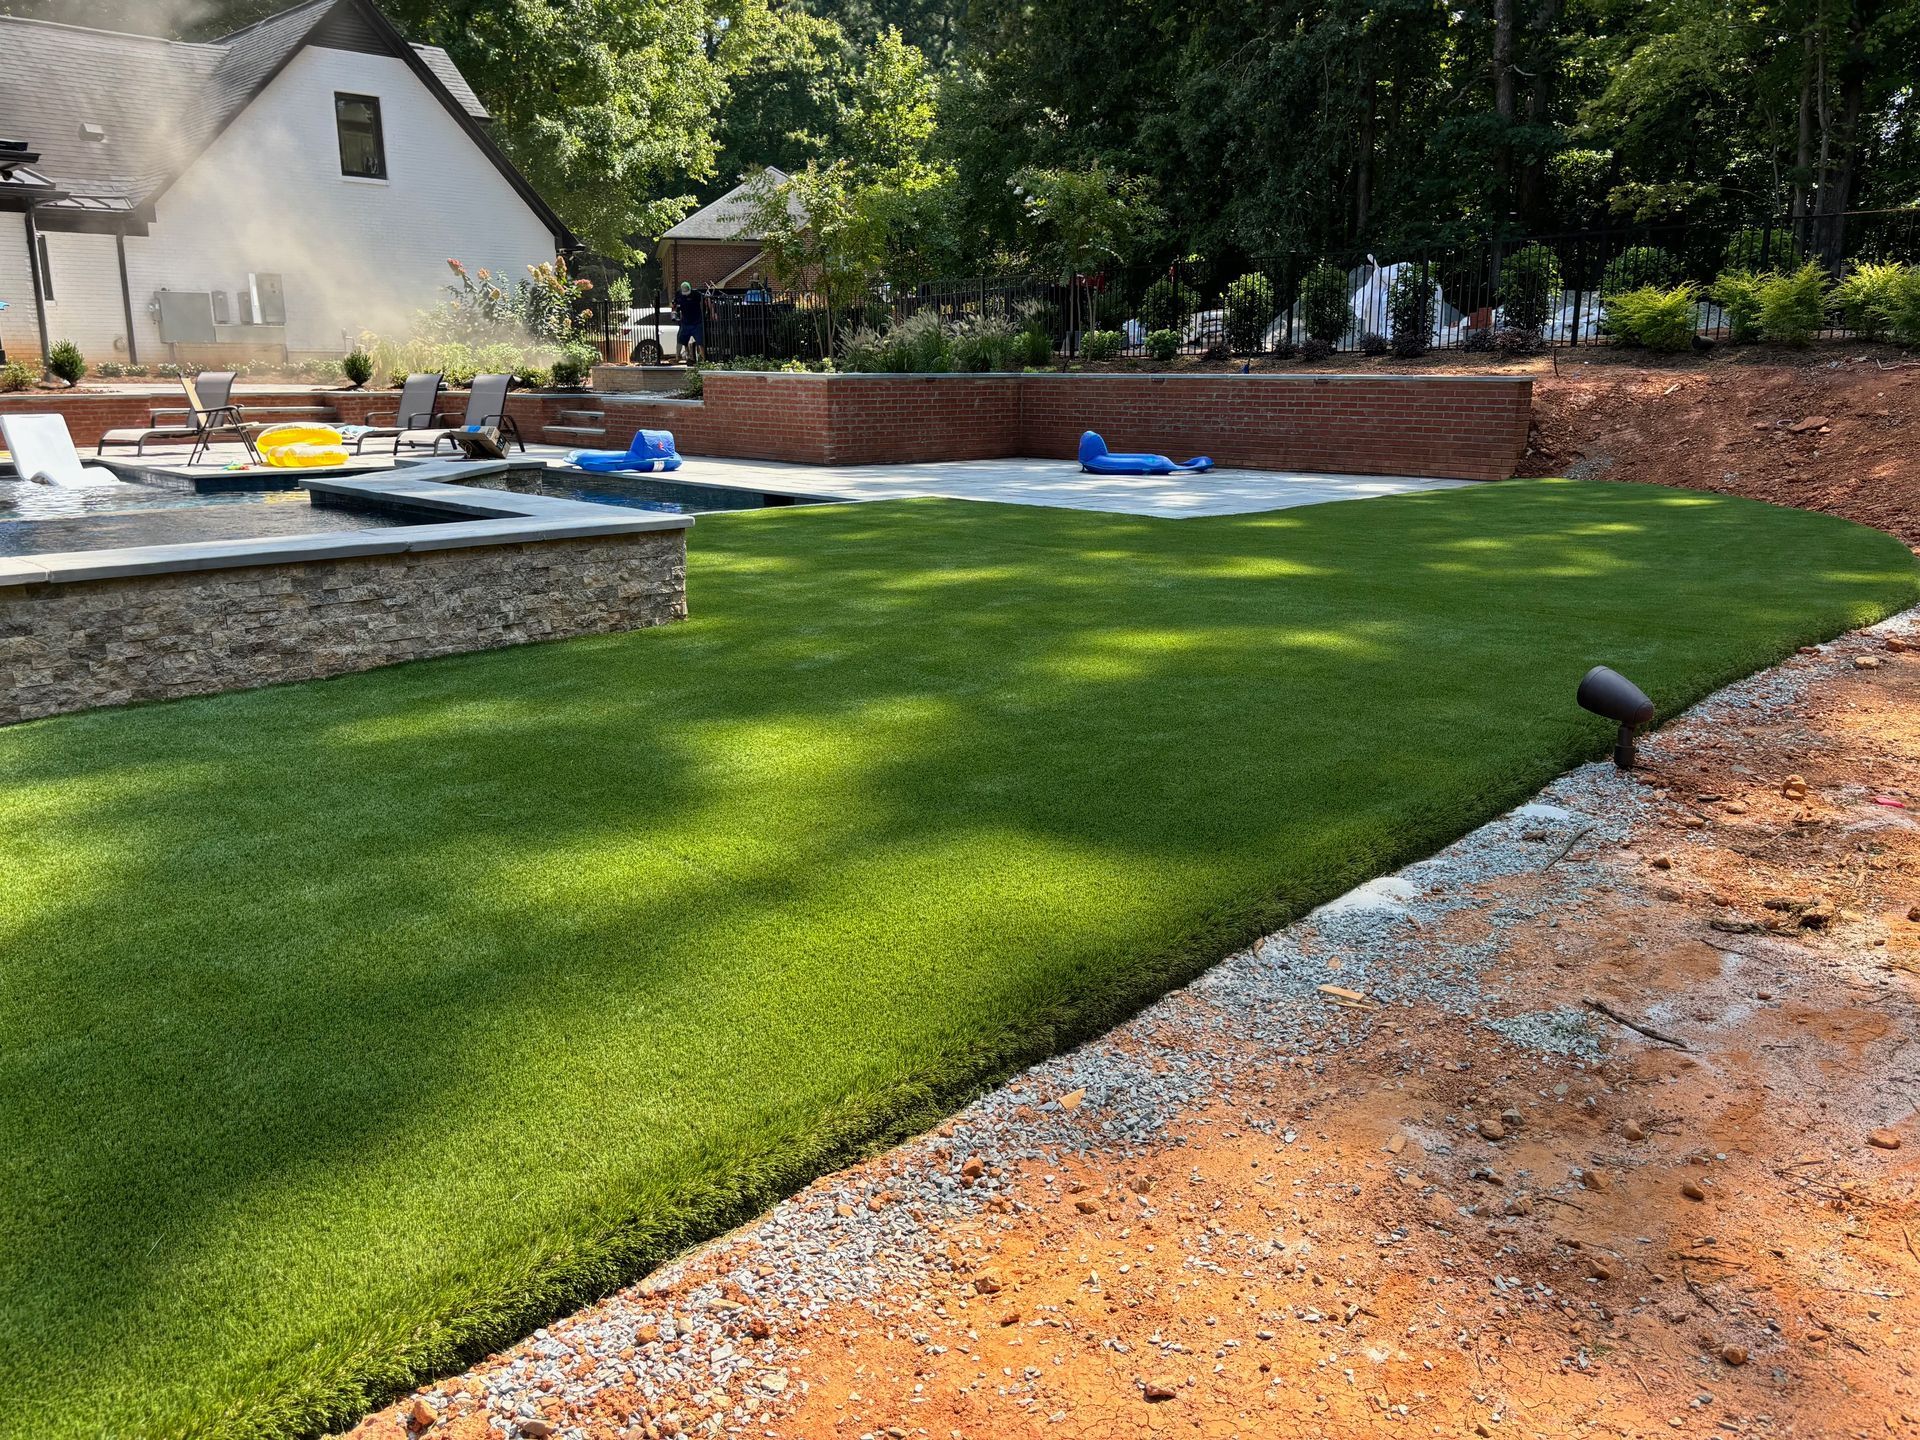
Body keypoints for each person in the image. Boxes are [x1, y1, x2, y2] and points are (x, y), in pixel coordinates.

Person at [675, 281, 704, 363]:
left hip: (696, 322)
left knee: (700, 342)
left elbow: (705, 301)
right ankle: (678, 357)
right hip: (685, 323)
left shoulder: (696, 294)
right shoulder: (679, 295)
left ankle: (704, 359)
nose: (686, 294)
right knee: (681, 340)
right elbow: (675, 305)